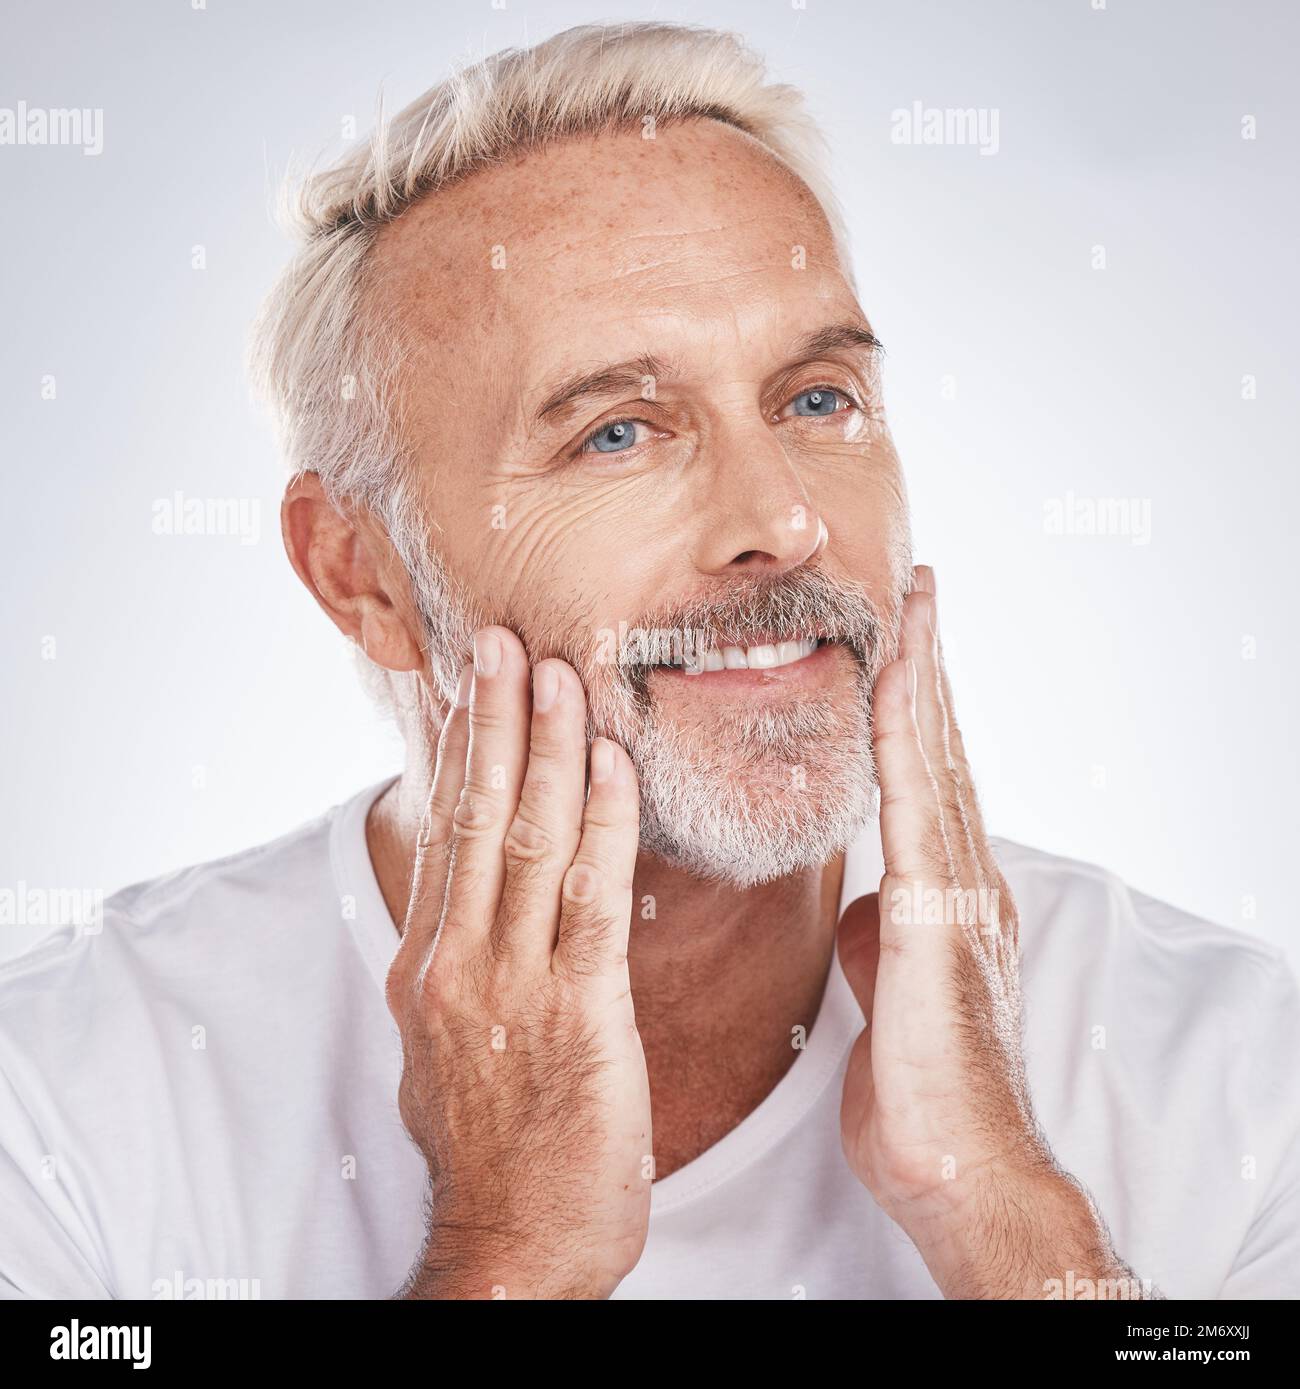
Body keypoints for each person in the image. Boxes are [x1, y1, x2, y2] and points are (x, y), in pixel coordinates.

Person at [2, 22, 1296, 1300]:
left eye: (816, 399)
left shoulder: (1240, 1070)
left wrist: (1007, 1211)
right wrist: (509, 1257)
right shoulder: (60, 1102)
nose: (784, 522)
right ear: (364, 572)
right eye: (619, 432)